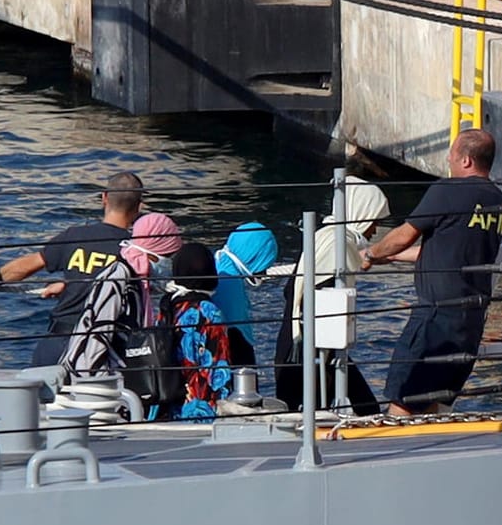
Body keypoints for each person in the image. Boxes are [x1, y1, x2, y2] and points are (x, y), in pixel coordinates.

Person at [360, 129, 502, 414]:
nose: (448, 160)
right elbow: (449, 251)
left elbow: (404, 234)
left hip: (435, 316)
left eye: (452, 155)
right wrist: (393, 258)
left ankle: (393, 456)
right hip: (471, 321)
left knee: (403, 401)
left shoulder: (449, 190)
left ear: (466, 160)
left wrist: (370, 253)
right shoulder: (499, 201)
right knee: (431, 403)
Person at [0, 171, 144, 366]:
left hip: (58, 342)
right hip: (104, 349)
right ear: (139, 206)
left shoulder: (75, 235)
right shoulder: (136, 251)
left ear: (104, 198)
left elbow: (25, 267)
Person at [273, 175, 388, 414]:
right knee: (367, 411)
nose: (375, 229)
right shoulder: (339, 245)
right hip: (312, 353)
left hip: (297, 347)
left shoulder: (324, 236)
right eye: (374, 220)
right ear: (361, 213)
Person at [57, 212, 183, 382]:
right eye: (168, 256)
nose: (169, 262)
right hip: (94, 381)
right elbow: (98, 332)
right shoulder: (118, 279)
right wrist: (99, 385)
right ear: (152, 252)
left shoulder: (136, 278)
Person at [157, 244, 232, 420]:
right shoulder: (209, 312)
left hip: (171, 401)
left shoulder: (168, 306)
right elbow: (218, 366)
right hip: (200, 406)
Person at [212, 222, 277, 367]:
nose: (264, 272)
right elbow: (239, 339)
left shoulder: (219, 263)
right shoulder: (231, 285)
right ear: (254, 257)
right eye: (263, 265)